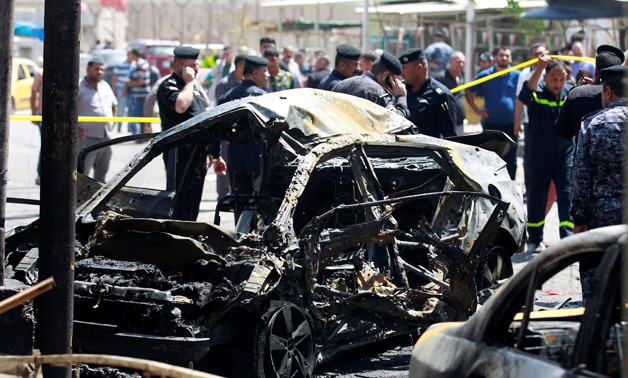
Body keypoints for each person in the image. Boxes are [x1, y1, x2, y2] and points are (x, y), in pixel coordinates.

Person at [571, 65, 627, 301]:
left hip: (600, 221)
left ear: (607, 92)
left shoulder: (592, 125)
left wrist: (579, 218)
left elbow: (581, 177)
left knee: (597, 294)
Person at [157, 45, 226, 219]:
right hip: (179, 154)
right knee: (179, 200)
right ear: (180, 66)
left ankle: (189, 232)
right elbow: (181, 106)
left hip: (198, 154)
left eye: (197, 65)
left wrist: (214, 154)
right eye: (192, 66)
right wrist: (189, 82)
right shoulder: (169, 85)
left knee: (193, 201)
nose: (197, 69)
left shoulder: (194, 89)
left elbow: (203, 119)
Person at [518, 54, 574, 254]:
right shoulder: (537, 93)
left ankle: (569, 240)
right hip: (539, 155)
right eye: (554, 79)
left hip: (565, 155)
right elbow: (523, 95)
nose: (558, 84)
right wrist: (539, 67)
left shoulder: (571, 92)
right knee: (537, 197)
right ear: (545, 78)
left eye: (562, 79)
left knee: (567, 195)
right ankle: (535, 239)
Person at [217, 55, 269, 201]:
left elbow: (216, 125)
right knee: (260, 199)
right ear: (255, 74)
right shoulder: (263, 97)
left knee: (240, 199)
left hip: (235, 153)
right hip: (257, 153)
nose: (268, 75)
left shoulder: (228, 96)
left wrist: (215, 153)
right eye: (265, 71)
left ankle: (240, 224)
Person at [465, 47, 520, 179]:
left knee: (511, 161)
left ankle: (510, 189)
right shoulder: (486, 74)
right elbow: (468, 90)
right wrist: (477, 110)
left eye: (507, 55)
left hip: (511, 125)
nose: (504, 58)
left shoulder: (517, 75)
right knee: (490, 158)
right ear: (496, 57)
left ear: (511, 58)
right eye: (501, 55)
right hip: (491, 124)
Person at [554, 44, 624, 141]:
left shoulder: (577, 94)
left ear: (596, 71)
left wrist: (576, 93)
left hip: (584, 154)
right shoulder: (623, 96)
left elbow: (562, 131)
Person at [399, 48, 457, 138]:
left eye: (404, 68)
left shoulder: (440, 95)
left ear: (419, 68)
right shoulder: (401, 90)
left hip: (427, 150)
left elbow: (450, 135)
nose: (401, 73)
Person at [333, 51, 409, 119]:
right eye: (395, 79)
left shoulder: (341, 84)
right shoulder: (379, 94)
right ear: (386, 76)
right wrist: (401, 96)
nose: (397, 84)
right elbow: (396, 121)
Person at [77, 59, 118, 183]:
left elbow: (114, 105)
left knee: (101, 177)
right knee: (83, 176)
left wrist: (112, 123)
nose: (100, 72)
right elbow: (69, 109)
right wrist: (76, 128)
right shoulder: (79, 86)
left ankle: (97, 201)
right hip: (87, 137)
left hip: (106, 137)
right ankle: (80, 201)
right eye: (96, 69)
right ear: (88, 70)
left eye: (102, 70)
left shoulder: (105, 85)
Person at [214, 54, 246, 201]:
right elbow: (219, 112)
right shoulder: (225, 84)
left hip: (240, 138)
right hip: (227, 136)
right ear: (240, 66)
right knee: (224, 169)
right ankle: (222, 199)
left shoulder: (246, 86)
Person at [434, 51, 466, 136]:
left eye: (463, 62)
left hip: (459, 123)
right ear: (450, 62)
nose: (461, 64)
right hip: (445, 124)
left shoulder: (461, 77)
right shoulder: (440, 78)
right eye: (458, 61)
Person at [124, 48, 151, 135]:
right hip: (143, 94)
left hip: (140, 94)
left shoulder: (139, 65)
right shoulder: (144, 63)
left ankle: (142, 135)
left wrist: (129, 83)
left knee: (140, 115)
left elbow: (139, 83)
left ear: (134, 55)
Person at [111, 53, 132, 132]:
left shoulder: (134, 65)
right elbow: (114, 77)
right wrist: (114, 90)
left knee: (131, 109)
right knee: (120, 109)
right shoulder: (120, 65)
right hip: (120, 88)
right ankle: (119, 127)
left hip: (131, 89)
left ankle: (130, 128)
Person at [30, 68, 43, 185]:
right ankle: (41, 173)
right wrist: (34, 114)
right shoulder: (41, 73)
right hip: (43, 115)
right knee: (46, 146)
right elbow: (33, 93)